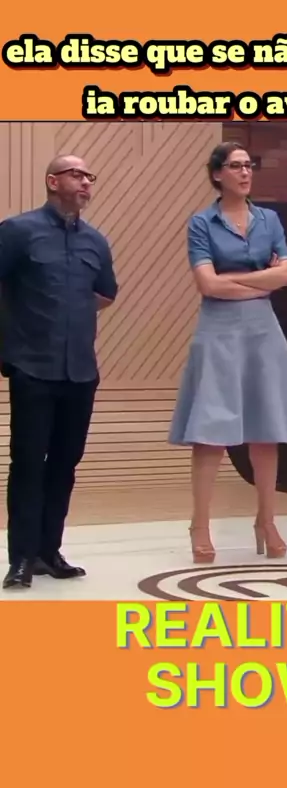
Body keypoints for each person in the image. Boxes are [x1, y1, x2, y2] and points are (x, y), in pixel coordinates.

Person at [169, 141, 287, 564]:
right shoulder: (201, 223)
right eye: (235, 166)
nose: (245, 172)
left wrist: (239, 280)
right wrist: (260, 279)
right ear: (218, 174)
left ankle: (266, 521)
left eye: (249, 165)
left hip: (263, 330)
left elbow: (286, 275)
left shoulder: (270, 220)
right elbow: (207, 285)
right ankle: (199, 525)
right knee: (211, 433)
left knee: (266, 430)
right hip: (218, 330)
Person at [0, 154, 118, 589]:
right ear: (53, 181)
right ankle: (21, 558)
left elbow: (106, 293)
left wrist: (70, 312)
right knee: (29, 465)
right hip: (33, 367)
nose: (86, 181)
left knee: (65, 465)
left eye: (90, 176)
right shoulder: (18, 231)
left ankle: (49, 552)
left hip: (80, 372)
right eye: (77, 174)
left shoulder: (95, 241)